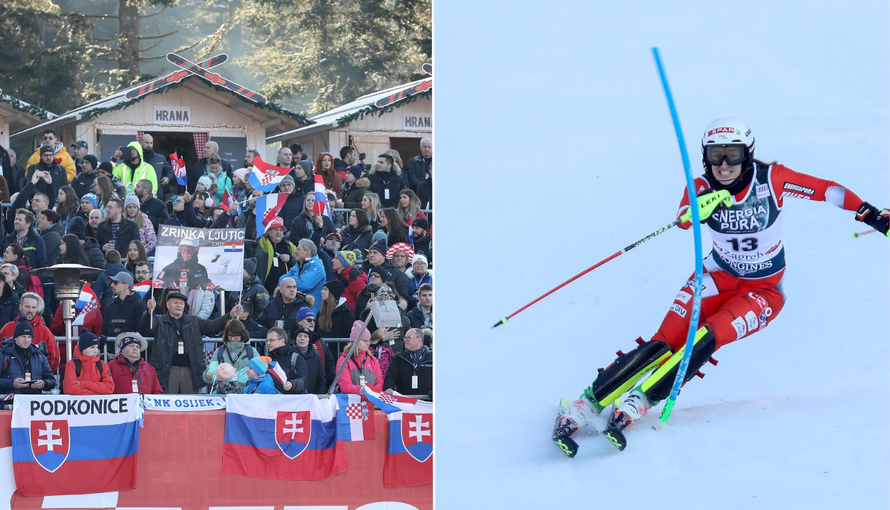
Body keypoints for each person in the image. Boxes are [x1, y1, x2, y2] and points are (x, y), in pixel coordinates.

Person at [554, 117, 890, 450]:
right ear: (706, 158)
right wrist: (699, 209)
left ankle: (639, 401)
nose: (725, 164)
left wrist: (868, 212)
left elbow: (826, 190)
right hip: (714, 278)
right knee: (664, 342)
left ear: (747, 154)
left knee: (706, 338)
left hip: (763, 292)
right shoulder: (701, 186)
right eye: (716, 155)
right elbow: (686, 218)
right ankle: (586, 405)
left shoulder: (772, 179)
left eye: (733, 154)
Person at [140, 291, 242, 393]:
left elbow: (213, 326)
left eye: (181, 304)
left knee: (190, 403)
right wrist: (149, 313)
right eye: (176, 303)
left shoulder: (194, 321)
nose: (179, 306)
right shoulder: (159, 320)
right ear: (168, 305)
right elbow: (146, 329)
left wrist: (230, 315)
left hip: (190, 370)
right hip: (167, 370)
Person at [0, 294, 60, 372]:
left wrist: (42, 374)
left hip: (37, 380)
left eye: (34, 307)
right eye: (27, 307)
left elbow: (54, 359)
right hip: (10, 380)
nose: (30, 310)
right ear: (20, 307)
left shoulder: (44, 331)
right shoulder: (7, 328)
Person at [0, 317, 56, 394]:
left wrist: (44, 384)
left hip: (34, 403)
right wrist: (12, 383)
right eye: (23, 336)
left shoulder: (39, 356)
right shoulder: (4, 355)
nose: (26, 340)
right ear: (15, 338)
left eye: (29, 337)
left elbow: (52, 380)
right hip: (11, 403)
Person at [204, 319, 260, 392]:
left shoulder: (251, 351)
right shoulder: (219, 351)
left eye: (236, 336)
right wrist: (208, 376)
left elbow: (260, 372)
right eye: (230, 336)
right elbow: (211, 371)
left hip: (246, 392)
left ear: (242, 335)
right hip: (223, 391)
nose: (233, 339)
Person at [335, 320, 383, 395]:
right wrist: (360, 390)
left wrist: (371, 391)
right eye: (365, 340)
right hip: (352, 404)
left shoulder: (372, 360)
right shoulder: (343, 361)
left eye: (369, 340)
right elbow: (344, 385)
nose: (368, 343)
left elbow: (380, 382)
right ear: (355, 341)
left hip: (371, 403)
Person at [279, 239, 326, 313]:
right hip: (295, 308)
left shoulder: (317, 267)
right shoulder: (298, 264)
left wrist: (289, 282)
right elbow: (281, 281)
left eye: (298, 249)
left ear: (307, 252)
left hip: (310, 312)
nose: (295, 251)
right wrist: (298, 279)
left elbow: (304, 285)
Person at [384, 328, 432, 397]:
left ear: (419, 339)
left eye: (408, 338)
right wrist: (388, 388)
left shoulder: (432, 358)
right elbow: (390, 376)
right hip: (404, 401)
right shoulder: (398, 358)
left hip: (428, 401)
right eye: (405, 338)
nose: (405, 340)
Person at [101, 271, 147, 338]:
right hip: (111, 347)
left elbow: (142, 331)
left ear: (126, 285)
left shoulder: (139, 306)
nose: (111, 285)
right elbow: (104, 332)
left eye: (115, 283)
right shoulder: (110, 307)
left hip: (131, 347)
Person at [256, 217, 296, 291]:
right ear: (269, 231)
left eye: (281, 230)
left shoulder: (289, 246)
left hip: (284, 291)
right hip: (265, 289)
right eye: (275, 229)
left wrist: (290, 259)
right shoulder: (262, 242)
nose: (279, 232)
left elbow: (300, 261)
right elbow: (252, 234)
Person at [265, 327, 308, 394]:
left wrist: (292, 384)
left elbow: (303, 381)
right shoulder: (268, 358)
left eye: (271, 340)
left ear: (282, 341)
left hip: (291, 400)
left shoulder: (296, 358)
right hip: (272, 399)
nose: (268, 343)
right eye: (267, 340)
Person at [290, 327, 326, 394]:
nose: (302, 338)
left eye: (305, 336)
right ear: (295, 339)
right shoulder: (289, 354)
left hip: (312, 396)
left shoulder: (316, 357)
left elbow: (321, 378)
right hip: (293, 397)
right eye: (299, 336)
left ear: (309, 340)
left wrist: (319, 395)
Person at [140, 134, 174, 200]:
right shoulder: (137, 158)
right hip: (140, 193)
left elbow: (170, 170)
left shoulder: (160, 158)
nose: (149, 145)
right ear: (141, 143)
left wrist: (168, 178)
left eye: (151, 143)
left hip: (158, 194)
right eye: (146, 142)